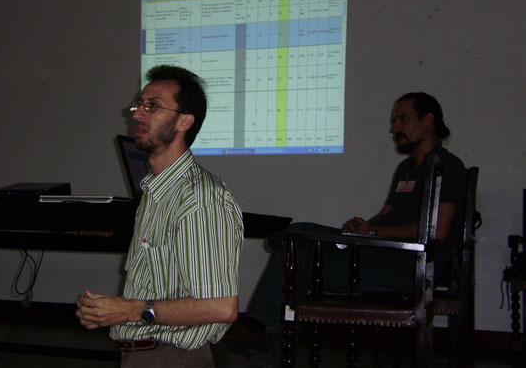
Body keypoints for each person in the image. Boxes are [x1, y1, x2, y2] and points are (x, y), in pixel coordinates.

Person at [245, 92, 467, 366]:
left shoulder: (447, 166)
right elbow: (385, 215)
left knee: (299, 264)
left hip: (412, 267)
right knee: (297, 233)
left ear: (428, 120)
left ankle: (263, 335)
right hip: (383, 255)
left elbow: (438, 230)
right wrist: (366, 226)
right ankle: (268, 338)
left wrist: (373, 234)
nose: (395, 128)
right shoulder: (407, 168)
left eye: (403, 119)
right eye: (394, 121)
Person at [76, 65, 244, 368]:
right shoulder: (155, 192)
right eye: (139, 105)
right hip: (146, 354)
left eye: (152, 106)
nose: (138, 114)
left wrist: (128, 310)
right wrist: (110, 312)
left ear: (184, 121)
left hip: (172, 357)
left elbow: (221, 307)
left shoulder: (199, 199)